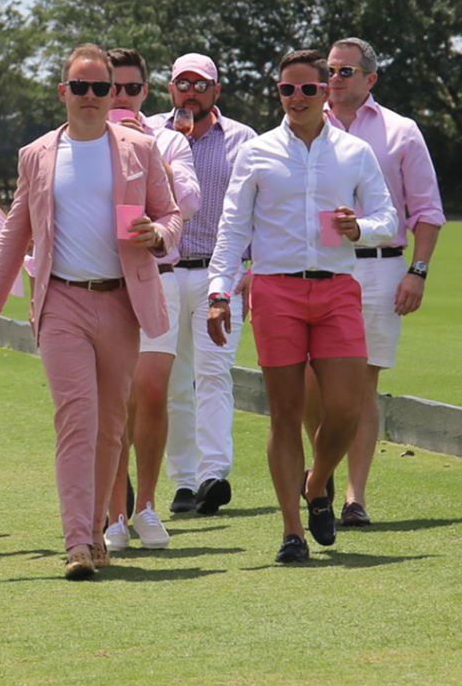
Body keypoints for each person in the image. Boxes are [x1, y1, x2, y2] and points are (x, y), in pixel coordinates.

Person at [0, 44, 182, 580]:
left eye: (100, 88)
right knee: (77, 418)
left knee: (112, 425)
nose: (90, 97)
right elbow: (13, 239)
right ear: (62, 91)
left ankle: (98, 528)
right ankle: (77, 543)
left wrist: (158, 234)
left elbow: (171, 214)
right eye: (79, 87)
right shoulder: (37, 154)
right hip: (60, 299)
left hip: (121, 301)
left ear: (114, 93)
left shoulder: (138, 148)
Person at [207, 49, 397, 563]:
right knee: (285, 415)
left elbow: (388, 216)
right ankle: (292, 531)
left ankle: (317, 484)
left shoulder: (354, 152)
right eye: (287, 89)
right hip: (276, 290)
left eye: (308, 89)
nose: (297, 98)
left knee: (346, 409)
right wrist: (219, 293)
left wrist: (362, 228)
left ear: (325, 92)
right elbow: (232, 230)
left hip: (337, 287)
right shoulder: (258, 152)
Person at [304, 38, 446, 526]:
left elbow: (427, 211)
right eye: (332, 71)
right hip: (316, 264)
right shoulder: (304, 123)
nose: (336, 79)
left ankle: (353, 496)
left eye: (346, 71)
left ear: (371, 78)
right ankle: (319, 474)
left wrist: (418, 271)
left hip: (379, 267)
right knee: (308, 382)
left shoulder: (400, 132)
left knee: (361, 386)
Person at [148, 53, 256, 516]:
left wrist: (248, 269)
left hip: (220, 272)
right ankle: (184, 482)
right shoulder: (149, 134)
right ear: (169, 89)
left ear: (216, 90)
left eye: (200, 84)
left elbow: (254, 209)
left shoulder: (242, 139)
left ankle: (214, 474)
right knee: (173, 380)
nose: (190, 91)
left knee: (213, 373)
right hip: (165, 272)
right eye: (182, 83)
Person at [103, 48, 200, 552]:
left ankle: (148, 506)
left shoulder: (168, 140)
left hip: (156, 274)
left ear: (145, 92)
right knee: (116, 400)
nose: (118, 96)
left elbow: (186, 203)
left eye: (129, 87)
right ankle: (116, 510)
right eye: (109, 86)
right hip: (102, 281)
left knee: (154, 394)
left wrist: (148, 155)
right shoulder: (80, 139)